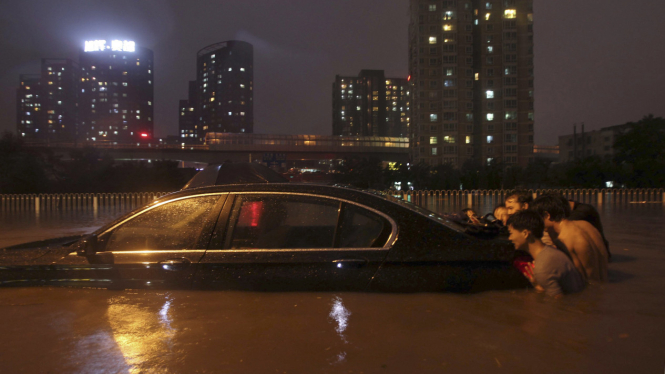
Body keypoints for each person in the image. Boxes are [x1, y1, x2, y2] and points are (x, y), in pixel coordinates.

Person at [530, 194, 609, 283]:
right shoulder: (586, 225)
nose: (537, 223)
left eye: (538, 218)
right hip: (605, 284)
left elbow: (577, 279)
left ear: (547, 215)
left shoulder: (563, 239)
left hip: (590, 291)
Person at [507, 210, 585, 297]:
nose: (509, 238)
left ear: (525, 233)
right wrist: (538, 286)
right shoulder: (550, 251)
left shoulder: (542, 266)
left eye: (511, 233)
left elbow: (560, 306)